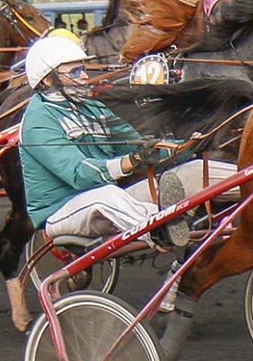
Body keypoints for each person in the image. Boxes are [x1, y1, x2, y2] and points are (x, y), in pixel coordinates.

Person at [18, 32, 235, 242]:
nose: (85, 76)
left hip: (113, 199)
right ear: (47, 80)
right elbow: (78, 173)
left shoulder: (91, 106)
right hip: (61, 210)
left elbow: (137, 145)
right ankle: (162, 223)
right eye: (74, 72)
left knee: (194, 169)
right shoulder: (38, 119)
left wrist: (191, 146)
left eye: (83, 69)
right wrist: (129, 162)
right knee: (107, 196)